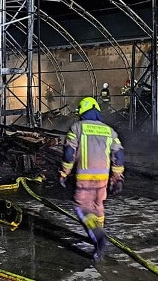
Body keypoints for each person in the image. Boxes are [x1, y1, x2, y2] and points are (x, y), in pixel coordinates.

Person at [59, 97, 125, 260]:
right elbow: (118, 154)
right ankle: (97, 241)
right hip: (103, 178)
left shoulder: (77, 128)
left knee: (81, 207)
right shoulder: (110, 131)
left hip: (84, 177)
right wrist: (117, 177)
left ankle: (98, 236)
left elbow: (69, 153)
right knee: (97, 206)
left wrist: (64, 173)